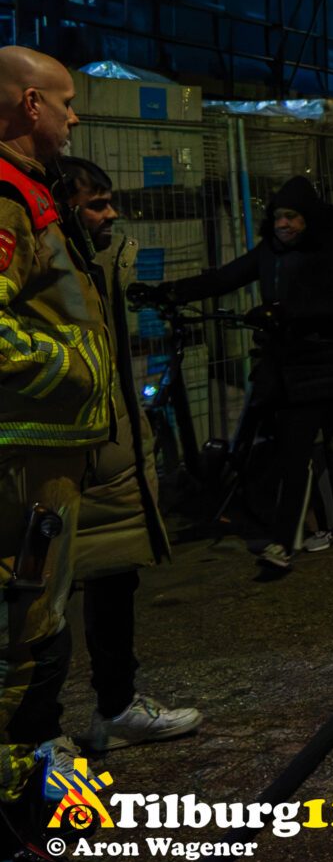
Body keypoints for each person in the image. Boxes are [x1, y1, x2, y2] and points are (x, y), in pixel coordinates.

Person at [0, 45, 113, 862]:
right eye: (67, 102)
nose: (76, 117)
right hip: (17, 472)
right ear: (30, 103)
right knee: (20, 651)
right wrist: (71, 367)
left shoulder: (27, 192)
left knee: (36, 642)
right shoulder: (4, 197)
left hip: (38, 467)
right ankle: (12, 859)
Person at [54, 157, 203, 753]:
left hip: (106, 445)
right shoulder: (53, 259)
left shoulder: (101, 260)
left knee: (114, 577)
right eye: (96, 204)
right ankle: (39, 736)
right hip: (63, 446)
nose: (111, 213)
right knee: (44, 599)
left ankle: (115, 707)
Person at [132, 176, 333, 573]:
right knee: (304, 448)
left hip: (319, 369)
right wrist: (168, 291)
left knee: (297, 451)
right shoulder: (269, 251)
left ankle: (283, 544)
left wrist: (283, 312)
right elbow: (225, 278)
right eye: (277, 217)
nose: (283, 224)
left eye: (292, 217)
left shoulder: (330, 252)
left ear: (310, 219)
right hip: (279, 365)